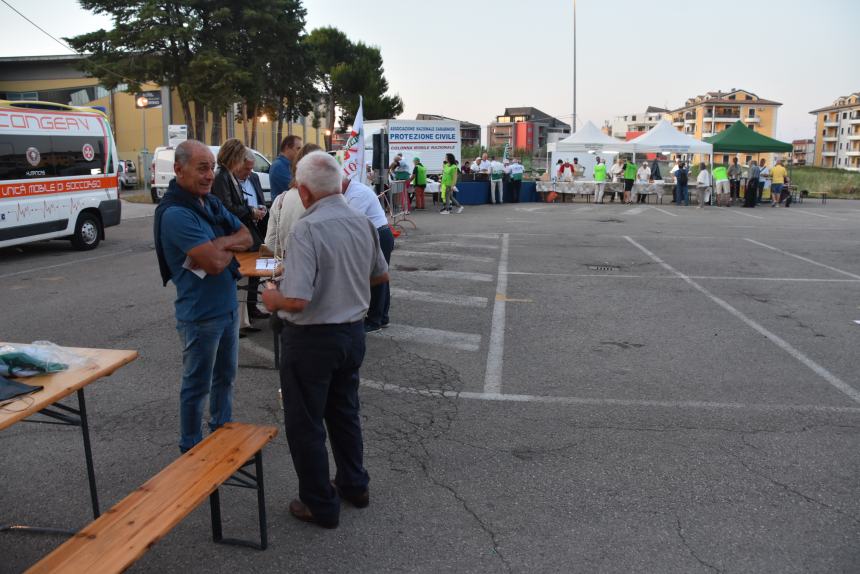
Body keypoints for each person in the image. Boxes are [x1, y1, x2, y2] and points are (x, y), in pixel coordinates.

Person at [261, 151, 389, 530]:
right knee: (344, 413)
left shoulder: (307, 228)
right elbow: (380, 275)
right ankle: (354, 485)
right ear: (338, 184)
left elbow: (297, 300)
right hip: (351, 334)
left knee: (306, 425)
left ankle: (319, 503)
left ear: (303, 191)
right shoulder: (361, 221)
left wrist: (272, 299)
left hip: (312, 339)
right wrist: (342, 285)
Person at [153, 140, 252, 452]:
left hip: (226, 308)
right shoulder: (175, 214)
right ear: (178, 169)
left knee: (225, 380)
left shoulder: (208, 203)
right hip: (200, 316)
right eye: (202, 168)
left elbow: (247, 237)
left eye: (211, 167)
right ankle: (191, 449)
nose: (210, 175)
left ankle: (222, 435)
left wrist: (217, 243)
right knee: (196, 387)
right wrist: (224, 246)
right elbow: (213, 264)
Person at [211, 140, 268, 333]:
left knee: (246, 277)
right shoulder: (222, 176)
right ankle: (239, 321)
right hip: (232, 236)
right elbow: (226, 207)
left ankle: (245, 316)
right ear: (234, 157)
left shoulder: (226, 175)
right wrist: (250, 211)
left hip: (237, 233)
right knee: (240, 278)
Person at [343, 175, 394, 332]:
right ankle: (382, 317)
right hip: (375, 234)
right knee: (380, 277)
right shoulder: (350, 190)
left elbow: (349, 222)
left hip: (379, 235)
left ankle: (375, 319)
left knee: (377, 278)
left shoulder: (357, 194)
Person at [263, 143, 319, 260]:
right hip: (317, 271)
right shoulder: (322, 199)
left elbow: (270, 243)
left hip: (288, 269)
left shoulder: (280, 200)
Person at [269, 135, 303, 202]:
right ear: (287, 148)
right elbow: (296, 187)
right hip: (282, 209)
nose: (300, 152)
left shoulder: (289, 165)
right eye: (298, 149)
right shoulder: (278, 166)